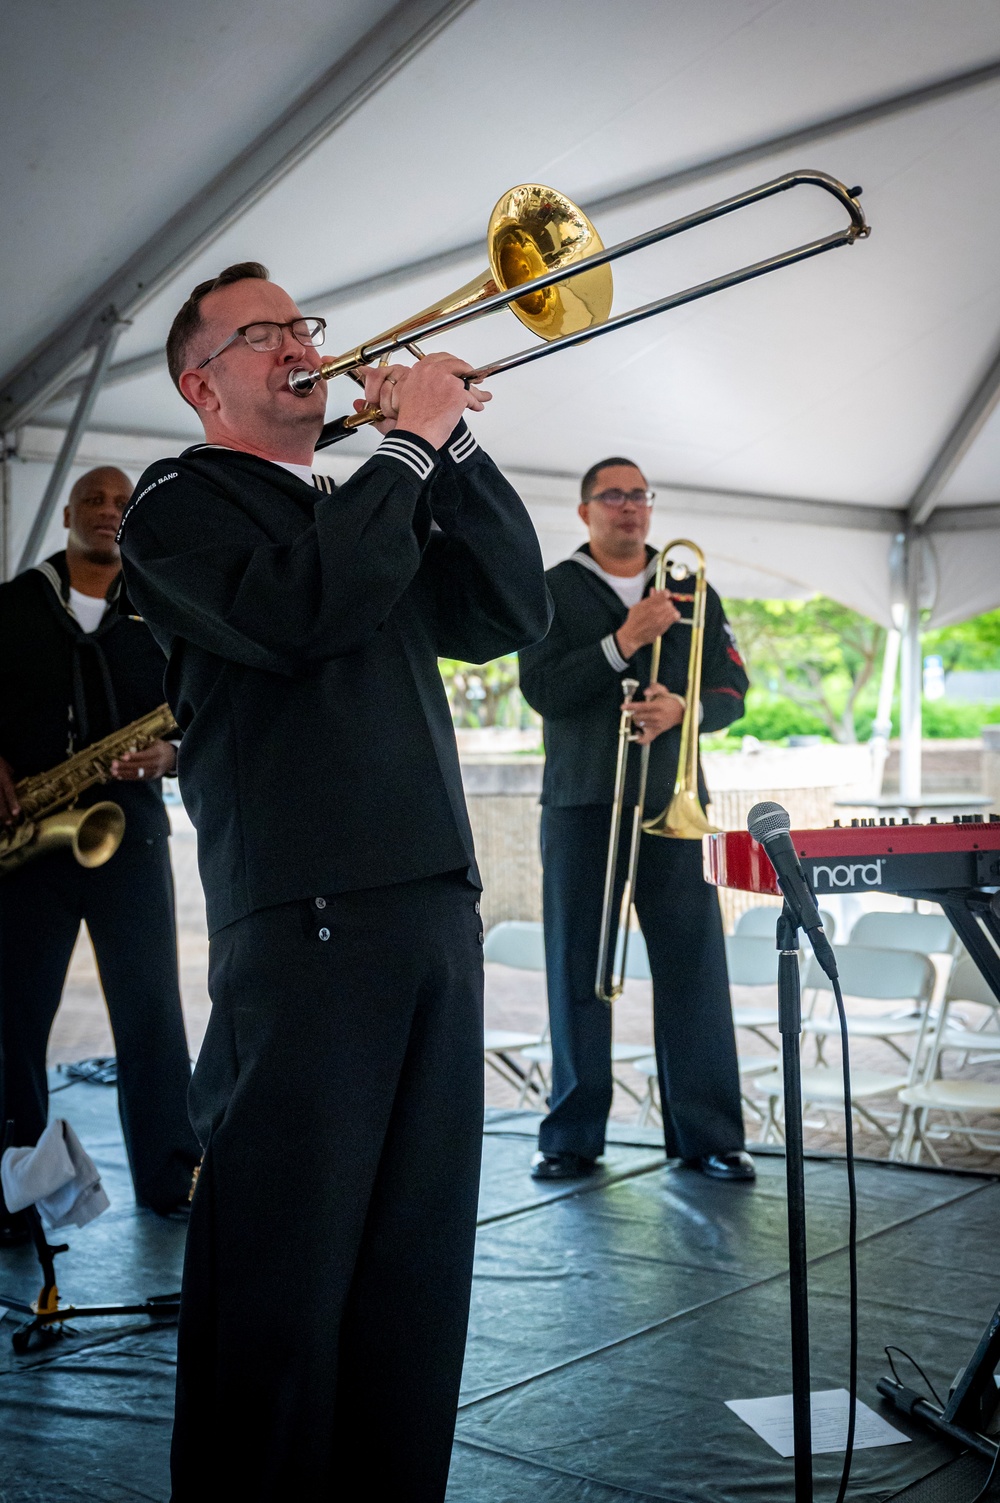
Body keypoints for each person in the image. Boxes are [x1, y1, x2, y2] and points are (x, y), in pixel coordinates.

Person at [116, 261, 550, 1501]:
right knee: (282, 1270)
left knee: (415, 1267)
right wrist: (406, 451)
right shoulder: (176, 507)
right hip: (304, 919)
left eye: (303, 323)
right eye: (267, 334)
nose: (304, 343)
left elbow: (510, 606)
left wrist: (451, 448)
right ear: (203, 384)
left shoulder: (358, 507)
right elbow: (306, 612)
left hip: (429, 908)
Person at [518, 456, 755, 1183]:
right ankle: (571, 1136)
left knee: (694, 969)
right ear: (584, 509)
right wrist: (622, 640)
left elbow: (735, 688)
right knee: (579, 970)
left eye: (639, 496)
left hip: (672, 799)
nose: (629, 508)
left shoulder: (691, 585)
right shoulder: (552, 587)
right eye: (613, 496)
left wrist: (686, 709)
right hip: (585, 802)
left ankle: (709, 1135)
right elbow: (542, 689)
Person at [0, 466, 201, 1237]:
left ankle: (169, 1174)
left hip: (132, 835)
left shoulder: (163, 608)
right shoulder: (14, 605)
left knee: (151, 1012)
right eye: (96, 500)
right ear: (67, 513)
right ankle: (15, 1186)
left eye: (123, 503)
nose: (111, 513)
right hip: (29, 845)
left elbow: (200, 714)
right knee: (14, 1020)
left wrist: (172, 757)